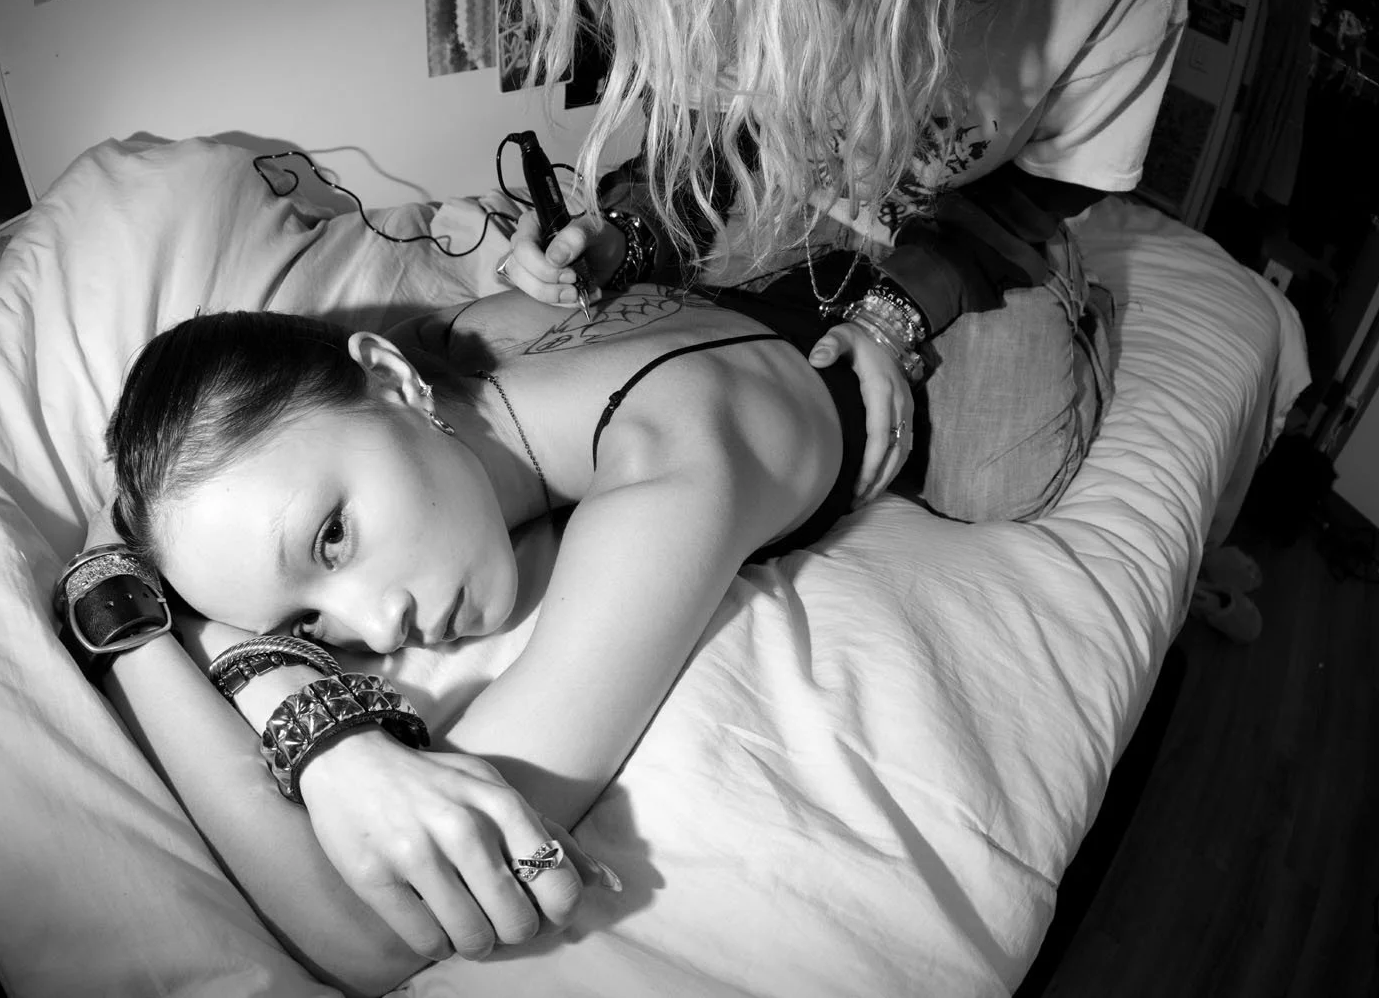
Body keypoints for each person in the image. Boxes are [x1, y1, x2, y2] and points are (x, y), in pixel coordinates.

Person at [62, 277, 882, 994]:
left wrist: (124, 628)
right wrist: (318, 725)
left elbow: (375, 934)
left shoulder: (670, 472)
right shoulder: (462, 342)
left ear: (390, 379)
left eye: (333, 537)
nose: (377, 627)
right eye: (307, 622)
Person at [501, 0, 1186, 522]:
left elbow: (1045, 188)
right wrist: (628, 234)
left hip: (977, 218)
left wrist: (894, 317)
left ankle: (1077, 304)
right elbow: (710, 140)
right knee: (662, 336)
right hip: (790, 180)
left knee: (992, 481)